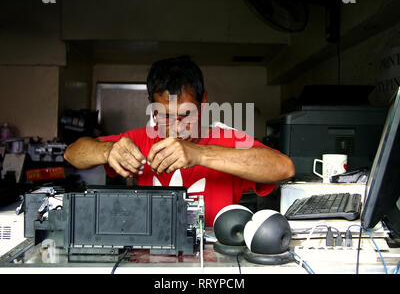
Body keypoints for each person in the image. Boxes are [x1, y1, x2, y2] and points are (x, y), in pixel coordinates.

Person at [64, 56, 295, 226]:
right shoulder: (136, 140)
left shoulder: (225, 140)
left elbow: (284, 168)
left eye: (185, 115)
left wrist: (200, 154)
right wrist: (108, 150)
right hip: (150, 256)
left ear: (203, 102)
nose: (175, 127)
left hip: (214, 261)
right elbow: (72, 153)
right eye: (164, 115)